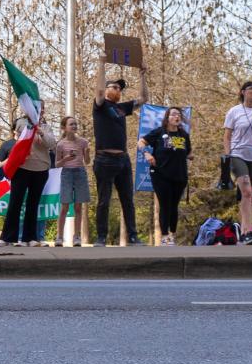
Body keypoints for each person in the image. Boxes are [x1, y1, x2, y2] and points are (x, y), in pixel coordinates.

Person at [92, 74, 146, 247]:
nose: (118, 90)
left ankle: (132, 236)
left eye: (119, 88)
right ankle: (101, 237)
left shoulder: (122, 108)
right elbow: (99, 92)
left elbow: (144, 98)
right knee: (104, 200)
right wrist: (101, 63)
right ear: (106, 90)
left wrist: (142, 74)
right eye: (114, 87)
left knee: (128, 200)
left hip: (123, 159)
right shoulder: (100, 105)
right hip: (104, 159)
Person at [222, 81, 252, 246]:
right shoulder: (234, 111)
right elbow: (227, 136)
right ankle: (247, 232)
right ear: (242, 92)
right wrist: (227, 156)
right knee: (247, 192)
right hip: (238, 154)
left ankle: (246, 233)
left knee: (251, 196)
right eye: (251, 89)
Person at [0, 117, 52, 247]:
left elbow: (51, 144)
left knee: (33, 204)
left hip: (40, 168)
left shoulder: (46, 127)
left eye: (41, 108)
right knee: (15, 202)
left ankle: (30, 238)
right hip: (22, 168)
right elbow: (18, 141)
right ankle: (7, 238)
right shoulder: (21, 123)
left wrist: (41, 132)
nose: (39, 110)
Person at [140, 107, 191, 245]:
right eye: (174, 114)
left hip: (179, 175)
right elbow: (141, 142)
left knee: (174, 205)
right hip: (161, 174)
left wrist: (190, 156)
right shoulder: (159, 132)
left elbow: (188, 152)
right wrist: (147, 153)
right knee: (165, 204)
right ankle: (164, 236)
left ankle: (172, 236)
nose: (177, 116)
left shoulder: (184, 135)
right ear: (167, 117)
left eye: (179, 114)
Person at [52, 117, 91, 247]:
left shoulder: (83, 142)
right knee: (64, 207)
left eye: (75, 124)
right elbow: (57, 164)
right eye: (71, 124)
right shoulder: (61, 144)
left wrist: (87, 153)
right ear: (64, 127)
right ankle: (59, 237)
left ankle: (77, 236)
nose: (74, 126)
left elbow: (87, 162)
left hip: (80, 173)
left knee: (78, 207)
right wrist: (66, 159)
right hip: (67, 174)